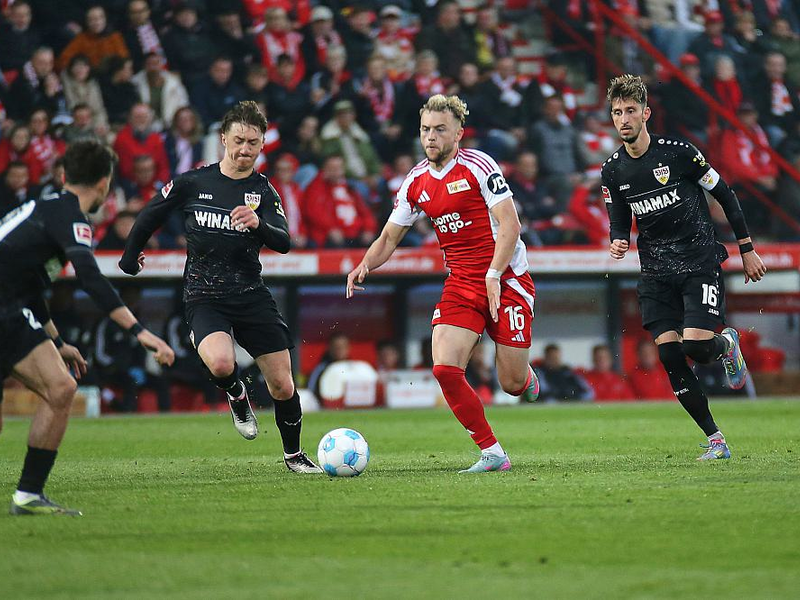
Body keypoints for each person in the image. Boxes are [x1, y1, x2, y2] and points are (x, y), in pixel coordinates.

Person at [119, 101, 322, 474]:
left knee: (282, 384)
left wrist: (257, 223)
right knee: (221, 362)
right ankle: (236, 394)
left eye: (253, 143)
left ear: (262, 146)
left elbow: (284, 241)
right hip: (204, 293)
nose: (245, 149)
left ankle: (294, 457)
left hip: (250, 293)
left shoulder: (263, 191)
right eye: (239, 140)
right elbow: (150, 213)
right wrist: (130, 256)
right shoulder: (194, 181)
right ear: (224, 138)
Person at [346, 94, 539, 473]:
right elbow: (389, 237)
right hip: (462, 283)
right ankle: (493, 453)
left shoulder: (479, 166)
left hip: (508, 277)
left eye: (439, 130)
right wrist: (364, 264)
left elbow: (511, 225)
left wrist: (495, 274)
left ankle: (526, 377)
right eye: (425, 130)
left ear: (458, 133)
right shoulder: (415, 181)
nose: (430, 137)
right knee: (445, 368)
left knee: (511, 384)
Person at [0, 140, 174, 516]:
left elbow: (25, 286)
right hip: (4, 310)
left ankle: (29, 496)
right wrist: (139, 331)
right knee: (60, 388)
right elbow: (91, 278)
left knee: (59, 387)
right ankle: (28, 494)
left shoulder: (41, 208)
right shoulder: (72, 217)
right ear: (104, 183)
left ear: (64, 176)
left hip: (10, 307)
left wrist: (57, 341)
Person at [602, 75, 767, 461]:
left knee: (696, 346)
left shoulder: (679, 153)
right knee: (670, 356)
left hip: (698, 262)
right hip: (656, 272)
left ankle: (726, 344)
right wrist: (618, 238)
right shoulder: (612, 170)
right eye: (616, 112)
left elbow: (724, 193)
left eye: (629, 111)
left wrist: (746, 248)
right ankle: (716, 440)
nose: (623, 119)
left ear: (646, 113)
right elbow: (618, 216)